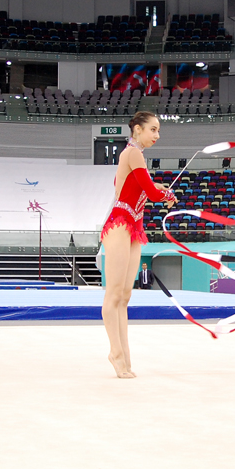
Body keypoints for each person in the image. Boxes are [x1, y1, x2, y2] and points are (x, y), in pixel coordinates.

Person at [100, 112, 176, 378]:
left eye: (158, 130)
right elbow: (153, 193)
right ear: (137, 130)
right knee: (114, 294)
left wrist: (161, 189)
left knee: (125, 296)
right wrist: (165, 193)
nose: (157, 135)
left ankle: (125, 357)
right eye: (153, 129)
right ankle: (116, 353)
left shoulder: (136, 159)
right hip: (120, 222)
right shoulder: (132, 153)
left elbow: (144, 186)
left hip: (134, 225)